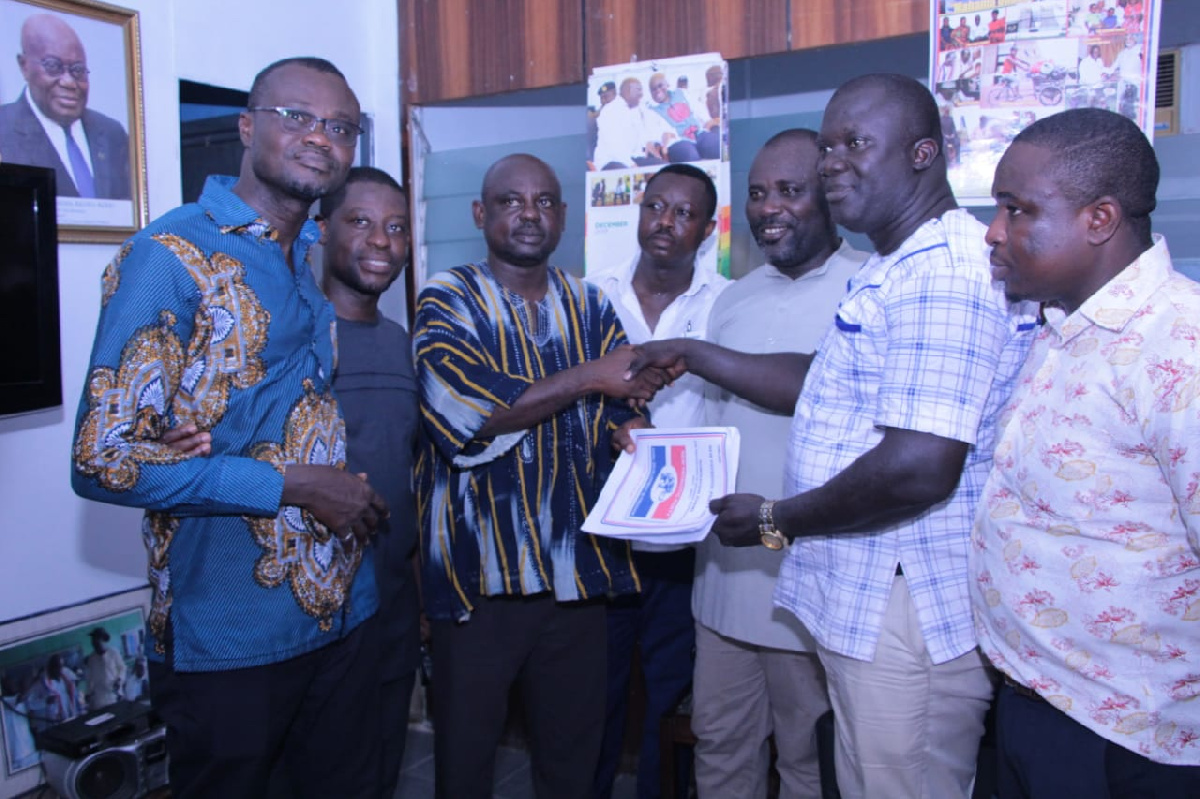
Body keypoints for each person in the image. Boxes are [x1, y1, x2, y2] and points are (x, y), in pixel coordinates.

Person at [628, 73, 1039, 799]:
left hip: (901, 611)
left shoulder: (940, 272)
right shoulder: (893, 270)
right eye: (828, 147)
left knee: (836, 769)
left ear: (922, 154)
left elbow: (919, 466)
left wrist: (775, 518)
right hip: (853, 598)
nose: (833, 163)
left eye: (855, 144)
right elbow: (819, 381)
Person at [71, 57, 386, 799]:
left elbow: (276, 416)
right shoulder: (168, 255)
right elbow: (102, 458)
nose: (321, 138)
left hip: (340, 607)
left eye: (340, 126)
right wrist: (294, 484)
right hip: (229, 633)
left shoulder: (306, 256)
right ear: (247, 128)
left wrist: (334, 486)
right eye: (297, 117)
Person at [414, 153, 668, 799]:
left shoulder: (588, 303)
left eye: (544, 201)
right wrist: (589, 376)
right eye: (510, 200)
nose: (529, 213)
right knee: (465, 763)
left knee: (573, 761)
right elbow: (470, 413)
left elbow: (624, 400)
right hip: (480, 580)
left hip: (575, 577)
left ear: (563, 215)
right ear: (481, 212)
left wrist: (630, 426)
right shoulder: (448, 296)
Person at [974, 108, 1200, 798]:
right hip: (1035, 702)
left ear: (1099, 219)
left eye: (1017, 210)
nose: (995, 230)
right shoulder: (1068, 323)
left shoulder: (1178, 345)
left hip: (1126, 734)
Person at [689, 129, 867, 799]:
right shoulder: (730, 300)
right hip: (724, 582)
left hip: (812, 591)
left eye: (791, 190)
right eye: (758, 193)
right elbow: (711, 429)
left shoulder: (869, 288)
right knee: (722, 748)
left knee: (809, 762)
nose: (771, 208)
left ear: (829, 196)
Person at [587, 164, 728, 799]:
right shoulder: (591, 294)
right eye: (655, 207)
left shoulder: (727, 304)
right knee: (594, 698)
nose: (665, 223)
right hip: (603, 538)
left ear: (706, 228)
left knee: (674, 701)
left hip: (686, 541)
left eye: (683, 213)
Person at [316, 166, 421, 799]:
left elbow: (409, 470)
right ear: (322, 229)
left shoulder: (400, 344)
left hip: (392, 604)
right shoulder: (293, 341)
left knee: (380, 770)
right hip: (319, 614)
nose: (381, 241)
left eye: (396, 227)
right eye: (360, 222)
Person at [0, 14, 130, 199]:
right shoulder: (4, 131)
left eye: (78, 69)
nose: (69, 82)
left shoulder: (112, 134)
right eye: (53, 66)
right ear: (24, 66)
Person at [593, 77, 676, 170]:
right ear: (627, 91)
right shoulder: (610, 110)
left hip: (634, 158)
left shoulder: (638, 109)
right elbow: (613, 145)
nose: (641, 94)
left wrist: (650, 142)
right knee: (628, 174)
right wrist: (631, 164)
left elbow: (655, 128)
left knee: (665, 169)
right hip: (612, 160)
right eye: (638, 90)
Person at [646, 73, 720, 162]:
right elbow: (658, 133)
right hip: (677, 141)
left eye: (660, 86)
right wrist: (665, 140)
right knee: (690, 155)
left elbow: (698, 109)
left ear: (667, 84)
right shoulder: (651, 109)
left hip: (699, 133)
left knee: (716, 145)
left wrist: (707, 121)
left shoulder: (681, 93)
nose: (658, 90)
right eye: (654, 89)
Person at [22, 654, 80, 732]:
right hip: (49, 726)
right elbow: (27, 703)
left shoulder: (64, 679)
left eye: (61, 667)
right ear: (51, 668)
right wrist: (44, 701)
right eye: (57, 667)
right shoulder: (40, 684)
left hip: (67, 722)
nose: (60, 670)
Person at [82, 627, 126, 710]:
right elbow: (90, 678)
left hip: (113, 694)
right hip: (99, 698)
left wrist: (119, 679)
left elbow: (122, 668)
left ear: (103, 640)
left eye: (97, 640)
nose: (94, 643)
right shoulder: (92, 658)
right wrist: (88, 693)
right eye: (93, 641)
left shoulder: (113, 653)